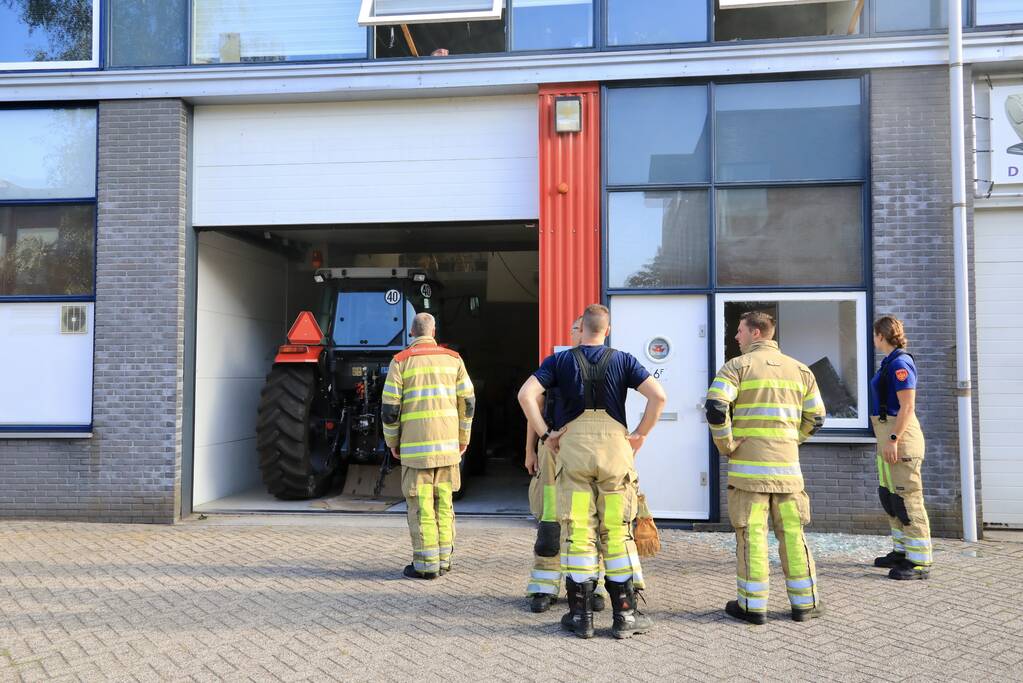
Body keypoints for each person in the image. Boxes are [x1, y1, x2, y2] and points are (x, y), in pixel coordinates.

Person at [518, 304, 666, 639]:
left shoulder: (559, 361)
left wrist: (545, 435)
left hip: (574, 452)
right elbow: (658, 396)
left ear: (581, 327)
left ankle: (581, 618)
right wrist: (640, 434)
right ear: (607, 329)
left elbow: (526, 395)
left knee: (579, 529)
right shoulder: (624, 360)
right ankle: (625, 618)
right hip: (615, 454)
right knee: (615, 528)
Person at [705, 311, 826, 625]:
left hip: (749, 476)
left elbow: (716, 407)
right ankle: (805, 603)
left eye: (740, 331)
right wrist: (793, 440)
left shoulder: (737, 367)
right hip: (789, 474)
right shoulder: (801, 371)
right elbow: (818, 418)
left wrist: (726, 445)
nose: (736, 337)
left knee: (752, 536)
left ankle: (752, 606)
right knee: (793, 535)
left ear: (756, 333)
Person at [525, 317, 608, 614]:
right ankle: (544, 586)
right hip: (553, 450)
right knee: (550, 518)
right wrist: (530, 450)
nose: (577, 332)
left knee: (585, 520)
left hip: (586, 454)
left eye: (580, 327)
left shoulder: (608, 364)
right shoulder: (556, 363)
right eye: (575, 328)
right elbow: (533, 402)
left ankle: (589, 586)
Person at [382, 312, 475, 580]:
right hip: (448, 449)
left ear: (412, 333)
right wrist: (463, 438)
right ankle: (444, 560)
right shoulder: (453, 360)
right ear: (433, 332)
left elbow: (390, 409)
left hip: (415, 452)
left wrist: (392, 442)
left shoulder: (400, 362)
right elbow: (468, 403)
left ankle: (425, 565)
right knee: (444, 504)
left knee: (422, 507)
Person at [869, 315, 932, 580]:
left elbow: (907, 406)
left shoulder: (901, 364)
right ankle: (901, 551)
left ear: (880, 336)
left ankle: (919, 562)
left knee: (908, 500)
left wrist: (894, 438)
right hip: (887, 437)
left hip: (900, 439)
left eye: (874, 335)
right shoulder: (888, 363)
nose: (873, 339)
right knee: (890, 498)